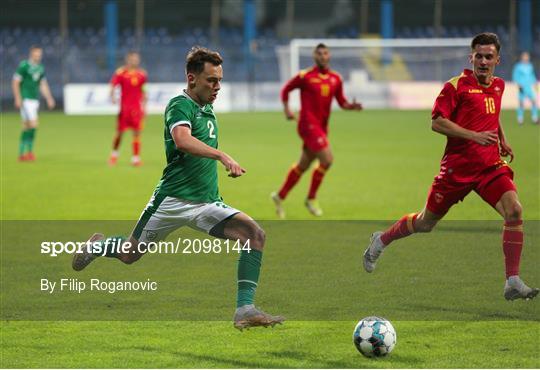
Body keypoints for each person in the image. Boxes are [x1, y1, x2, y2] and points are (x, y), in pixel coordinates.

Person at [73, 46, 284, 330]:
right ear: (191, 78)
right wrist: (222, 155)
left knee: (254, 235)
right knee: (129, 254)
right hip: (171, 201)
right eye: (211, 80)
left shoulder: (207, 107)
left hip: (207, 203)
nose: (217, 86)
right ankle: (97, 246)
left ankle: (244, 310)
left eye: (219, 80)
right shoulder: (179, 105)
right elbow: (182, 140)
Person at [363, 33, 538, 301]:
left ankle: (512, 280)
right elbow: (437, 122)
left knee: (514, 210)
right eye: (478, 56)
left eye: (488, 57)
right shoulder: (456, 86)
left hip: (490, 166)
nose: (482, 61)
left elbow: (493, 113)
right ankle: (381, 240)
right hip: (457, 170)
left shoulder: (500, 85)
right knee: (425, 223)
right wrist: (473, 135)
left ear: (497, 60)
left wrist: (502, 138)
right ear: (471, 57)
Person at [271, 43, 363, 218]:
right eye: (319, 53)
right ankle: (311, 198)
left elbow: (342, 102)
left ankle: (279, 196)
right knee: (327, 159)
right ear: (314, 56)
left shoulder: (336, 78)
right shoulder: (305, 76)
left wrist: (352, 106)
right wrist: (287, 109)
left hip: (321, 127)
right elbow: (286, 90)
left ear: (329, 56)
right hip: (307, 124)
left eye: (325, 53)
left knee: (303, 165)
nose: (322, 56)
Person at [12, 45, 55, 161]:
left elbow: (43, 84)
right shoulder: (24, 66)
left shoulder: (40, 67)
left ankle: (22, 154)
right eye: (36, 54)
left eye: (40, 54)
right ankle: (30, 153)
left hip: (34, 100)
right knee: (34, 124)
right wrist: (17, 97)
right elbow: (15, 82)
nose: (38, 56)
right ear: (31, 54)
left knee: (26, 127)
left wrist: (49, 97)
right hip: (26, 99)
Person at [108, 51, 147, 166]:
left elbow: (144, 91)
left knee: (137, 133)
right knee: (120, 133)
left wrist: (145, 106)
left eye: (137, 59)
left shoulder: (142, 74)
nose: (135, 61)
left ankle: (135, 159)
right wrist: (112, 96)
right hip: (124, 109)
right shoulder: (121, 73)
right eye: (133, 59)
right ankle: (114, 155)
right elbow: (112, 85)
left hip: (137, 109)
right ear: (128, 59)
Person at [512, 51, 538, 125]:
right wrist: (518, 84)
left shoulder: (530, 66)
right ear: (522, 57)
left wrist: (535, 82)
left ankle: (535, 118)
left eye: (527, 56)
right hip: (522, 87)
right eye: (525, 56)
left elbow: (532, 75)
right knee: (521, 103)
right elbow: (515, 76)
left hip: (529, 87)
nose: (526, 58)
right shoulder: (518, 66)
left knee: (534, 101)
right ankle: (520, 119)